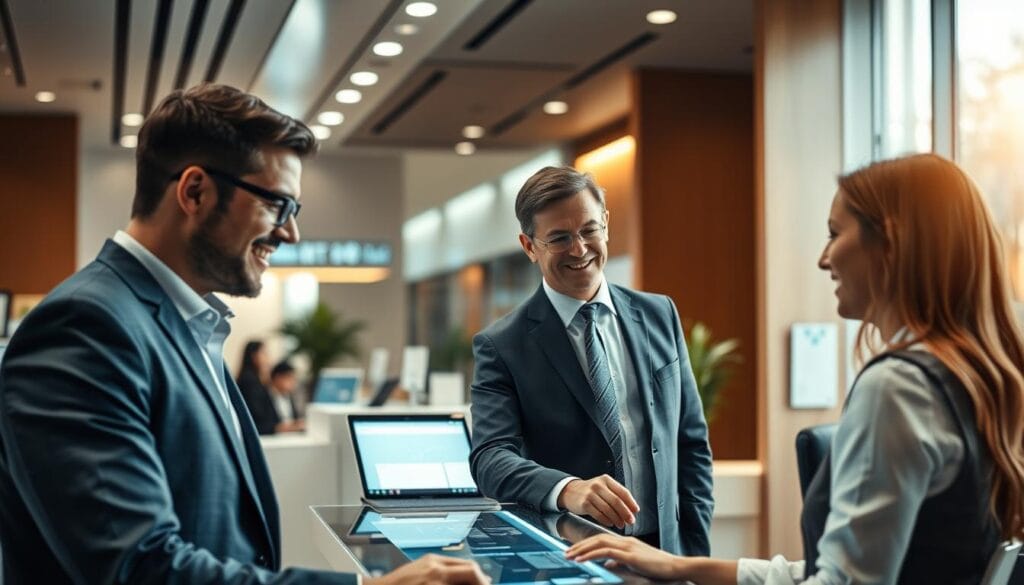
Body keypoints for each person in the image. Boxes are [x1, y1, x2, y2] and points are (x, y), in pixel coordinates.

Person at [0, 84, 487, 585]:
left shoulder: (188, 324)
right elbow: (137, 566)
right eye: (279, 204)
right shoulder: (85, 327)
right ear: (194, 191)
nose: (290, 233)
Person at [564, 153, 1024, 584]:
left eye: (834, 234)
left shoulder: (898, 387)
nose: (825, 259)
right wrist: (683, 565)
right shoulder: (973, 377)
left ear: (889, 240)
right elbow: (843, 570)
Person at [469, 165, 714, 556]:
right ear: (530, 246)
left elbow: (691, 445)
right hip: (569, 558)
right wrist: (568, 489)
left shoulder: (659, 314)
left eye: (588, 230)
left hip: (664, 554)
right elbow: (490, 458)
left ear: (606, 224)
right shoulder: (502, 345)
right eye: (559, 238)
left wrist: (695, 559)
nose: (579, 249)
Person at [248, 360, 305, 436]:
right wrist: (278, 428)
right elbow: (256, 426)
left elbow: (294, 419)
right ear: (278, 377)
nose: (293, 382)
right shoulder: (260, 396)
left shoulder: (289, 396)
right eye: (290, 378)